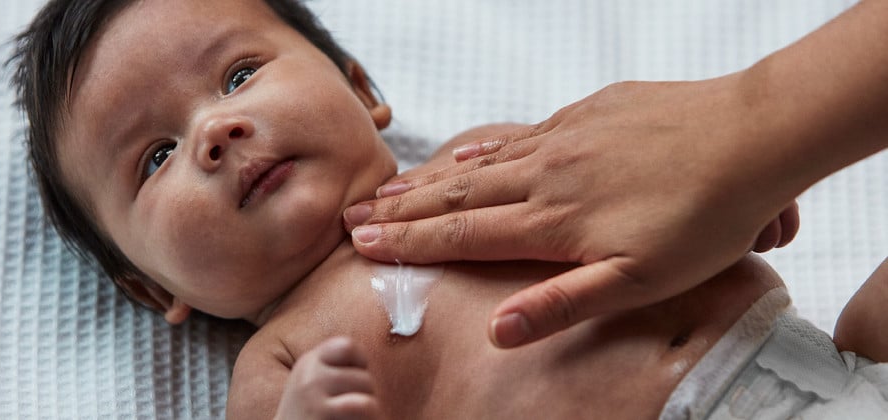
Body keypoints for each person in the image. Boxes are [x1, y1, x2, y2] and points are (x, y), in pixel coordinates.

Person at [9, 0, 888, 418]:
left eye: (239, 75)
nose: (217, 130)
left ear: (361, 90)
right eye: (155, 157)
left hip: (833, 373)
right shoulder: (283, 361)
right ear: (146, 285)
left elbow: (654, 198)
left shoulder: (493, 150)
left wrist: (740, 211)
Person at [341, 0, 888, 349]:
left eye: (250, 72)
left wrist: (739, 163)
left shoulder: (479, 158)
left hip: (845, 372)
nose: (248, 126)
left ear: (360, 91)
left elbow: (625, 199)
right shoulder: (277, 353)